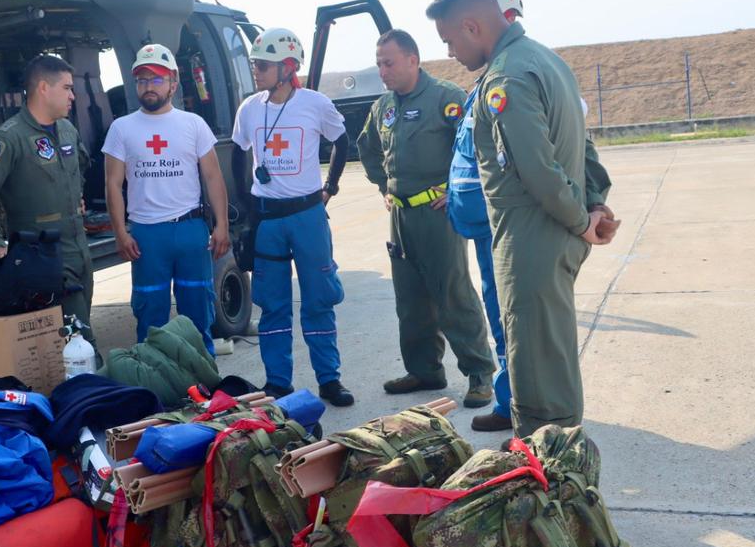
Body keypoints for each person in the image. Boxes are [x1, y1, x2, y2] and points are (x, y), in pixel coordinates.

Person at [427, 0, 616, 438]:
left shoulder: (506, 78)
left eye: (449, 40)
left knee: (536, 375)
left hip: (531, 240)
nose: (450, 52)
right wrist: (594, 205)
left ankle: (549, 474)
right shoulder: (547, 60)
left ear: (472, 26)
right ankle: (561, 461)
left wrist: (582, 221)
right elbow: (583, 147)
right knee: (552, 357)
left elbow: (539, 170)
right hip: (552, 236)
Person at [356, 29, 495, 408]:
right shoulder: (383, 106)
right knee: (410, 299)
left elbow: (475, 146)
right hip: (401, 216)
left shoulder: (445, 97)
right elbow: (366, 148)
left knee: (453, 293)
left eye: (390, 63)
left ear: (413, 60)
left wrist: (455, 189)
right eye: (379, 63)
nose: (383, 70)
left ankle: (480, 372)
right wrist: (383, 184)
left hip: (438, 214)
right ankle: (425, 370)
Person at [231, 27, 354, 407]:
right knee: (273, 304)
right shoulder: (250, 108)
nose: (257, 71)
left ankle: (329, 380)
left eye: (263, 65)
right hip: (268, 220)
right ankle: (278, 383)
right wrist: (247, 203)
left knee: (319, 298)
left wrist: (330, 186)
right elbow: (238, 153)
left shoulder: (315, 104)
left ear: (287, 67)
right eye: (255, 64)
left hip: (307, 216)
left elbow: (342, 141)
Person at [0, 54, 99, 354]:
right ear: (44, 89)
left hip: (79, 248)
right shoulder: (10, 138)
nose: (73, 96)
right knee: (81, 343)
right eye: (67, 88)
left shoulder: (67, 130)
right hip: (44, 257)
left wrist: (77, 197)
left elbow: (80, 167)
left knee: (74, 338)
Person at [102, 44, 230, 352]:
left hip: (189, 230)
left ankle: (204, 382)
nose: (148, 86)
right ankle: (156, 387)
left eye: (156, 79)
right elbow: (112, 184)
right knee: (150, 317)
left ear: (173, 83)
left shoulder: (193, 124)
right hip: (147, 236)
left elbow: (213, 177)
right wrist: (120, 233)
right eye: (142, 80)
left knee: (198, 311)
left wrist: (222, 225)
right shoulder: (122, 128)